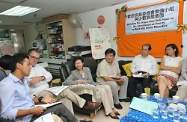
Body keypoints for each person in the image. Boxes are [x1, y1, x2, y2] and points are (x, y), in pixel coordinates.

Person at [0, 53, 78, 122]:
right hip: (27, 117)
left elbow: (28, 97)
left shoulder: (23, 80)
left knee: (61, 107)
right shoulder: (7, 84)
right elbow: (5, 113)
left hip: (32, 110)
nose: (30, 67)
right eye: (28, 65)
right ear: (18, 65)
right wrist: (31, 111)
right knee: (59, 114)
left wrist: (41, 99)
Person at [27, 48, 100, 114]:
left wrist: (40, 78)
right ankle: (85, 104)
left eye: (37, 58)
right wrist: (44, 79)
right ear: (28, 56)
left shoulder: (39, 67)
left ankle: (72, 120)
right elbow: (32, 83)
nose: (35, 60)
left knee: (66, 99)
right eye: (33, 57)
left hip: (48, 90)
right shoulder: (25, 69)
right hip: (37, 95)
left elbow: (50, 76)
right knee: (64, 90)